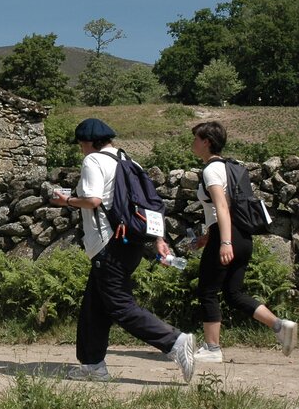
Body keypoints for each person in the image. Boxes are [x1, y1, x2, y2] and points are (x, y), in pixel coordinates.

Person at [50, 118, 196, 383]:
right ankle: (93, 365)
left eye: (81, 143)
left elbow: (93, 200)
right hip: (131, 242)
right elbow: (150, 205)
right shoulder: (130, 162)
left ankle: (175, 342)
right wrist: (159, 239)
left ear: (89, 142)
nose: (81, 148)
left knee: (119, 305)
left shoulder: (93, 161)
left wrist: (66, 201)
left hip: (109, 244)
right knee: (94, 307)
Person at [190, 121, 298, 363]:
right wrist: (209, 237)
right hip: (243, 237)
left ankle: (211, 348)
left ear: (206, 142)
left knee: (207, 290)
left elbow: (221, 206)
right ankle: (280, 326)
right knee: (233, 293)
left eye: (196, 138)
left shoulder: (211, 170)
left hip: (227, 236)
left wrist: (223, 242)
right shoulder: (230, 167)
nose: (193, 143)